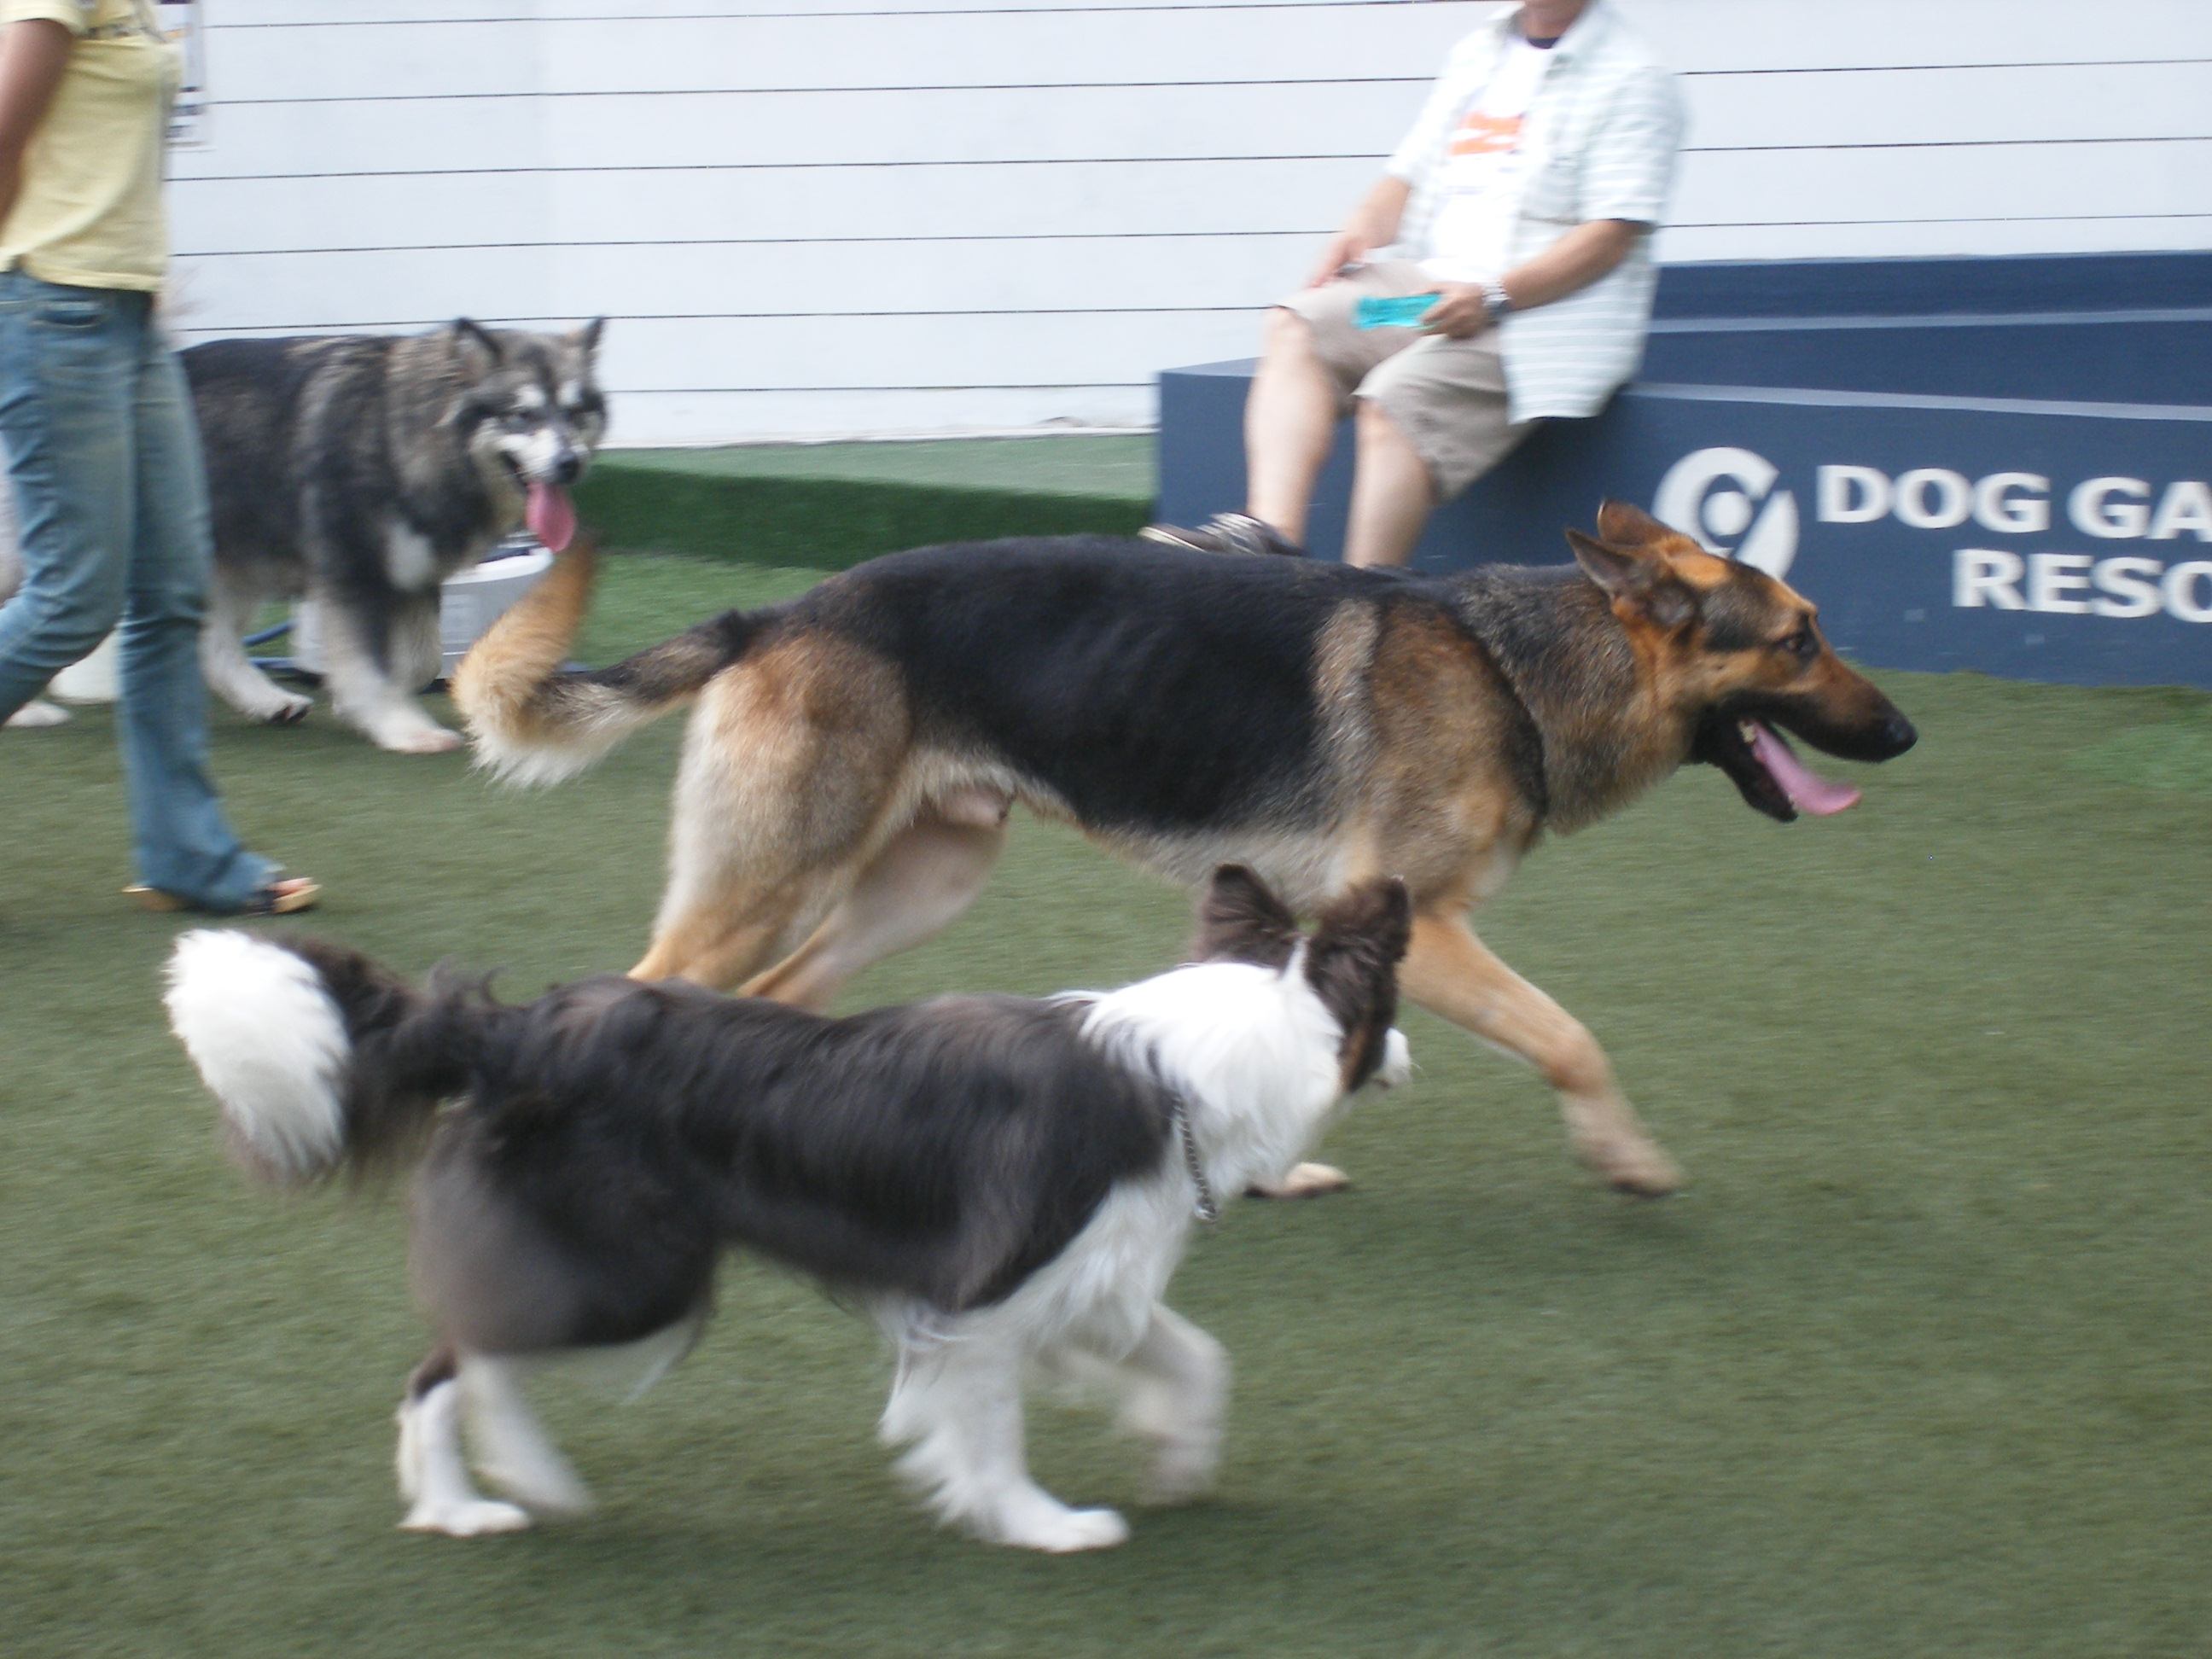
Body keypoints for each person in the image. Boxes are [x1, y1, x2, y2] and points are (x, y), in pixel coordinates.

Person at [1145, 0, 1685, 569]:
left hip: (1536, 320)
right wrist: (1358, 229)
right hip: (1430, 297)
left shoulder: (1634, 78)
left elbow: (1610, 238)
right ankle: (1269, 536)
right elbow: (1410, 174)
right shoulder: (1480, 52)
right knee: (1300, 323)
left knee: (1395, 399)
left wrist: (1496, 297)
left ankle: (1361, 600)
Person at [0, 1, 315, 913]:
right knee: (71, 599)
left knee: (174, 589)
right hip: (52, 311)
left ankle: (187, 856)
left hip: (127, 317)